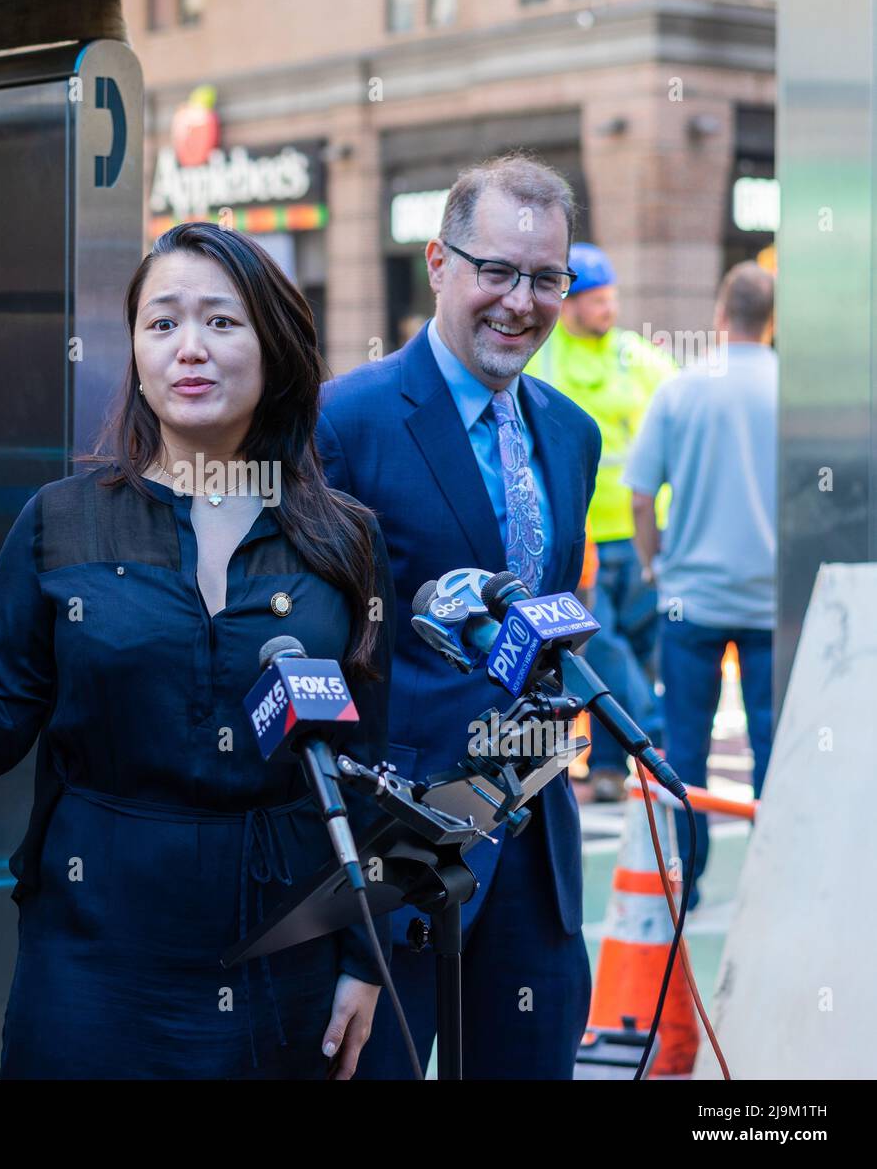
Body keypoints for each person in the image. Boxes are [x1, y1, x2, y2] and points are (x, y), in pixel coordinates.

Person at [0, 222, 395, 1079]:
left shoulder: (342, 538)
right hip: (95, 948)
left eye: (222, 322)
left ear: (274, 346)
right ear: (134, 350)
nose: (189, 349)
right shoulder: (61, 522)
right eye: (162, 324)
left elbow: (367, 764)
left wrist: (362, 957)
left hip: (286, 941)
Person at [317, 153, 601, 1080]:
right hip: (402, 854)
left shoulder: (572, 431)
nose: (521, 300)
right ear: (438, 262)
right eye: (497, 271)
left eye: (546, 278)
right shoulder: (345, 422)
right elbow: (325, 660)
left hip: (534, 857)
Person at [624, 261, 777, 909]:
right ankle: (776, 873)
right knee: (774, 738)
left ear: (720, 315)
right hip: (774, 599)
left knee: (686, 738)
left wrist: (655, 563)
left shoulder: (682, 389)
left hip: (690, 597)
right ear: (772, 322)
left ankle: (687, 876)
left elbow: (638, 493)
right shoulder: (793, 388)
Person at [525, 243, 676, 801]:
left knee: (634, 650)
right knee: (605, 649)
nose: (607, 309)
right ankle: (658, 737)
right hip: (582, 541)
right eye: (594, 300)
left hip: (639, 538)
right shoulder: (543, 362)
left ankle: (612, 772)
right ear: (567, 305)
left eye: (612, 298)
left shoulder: (641, 359)